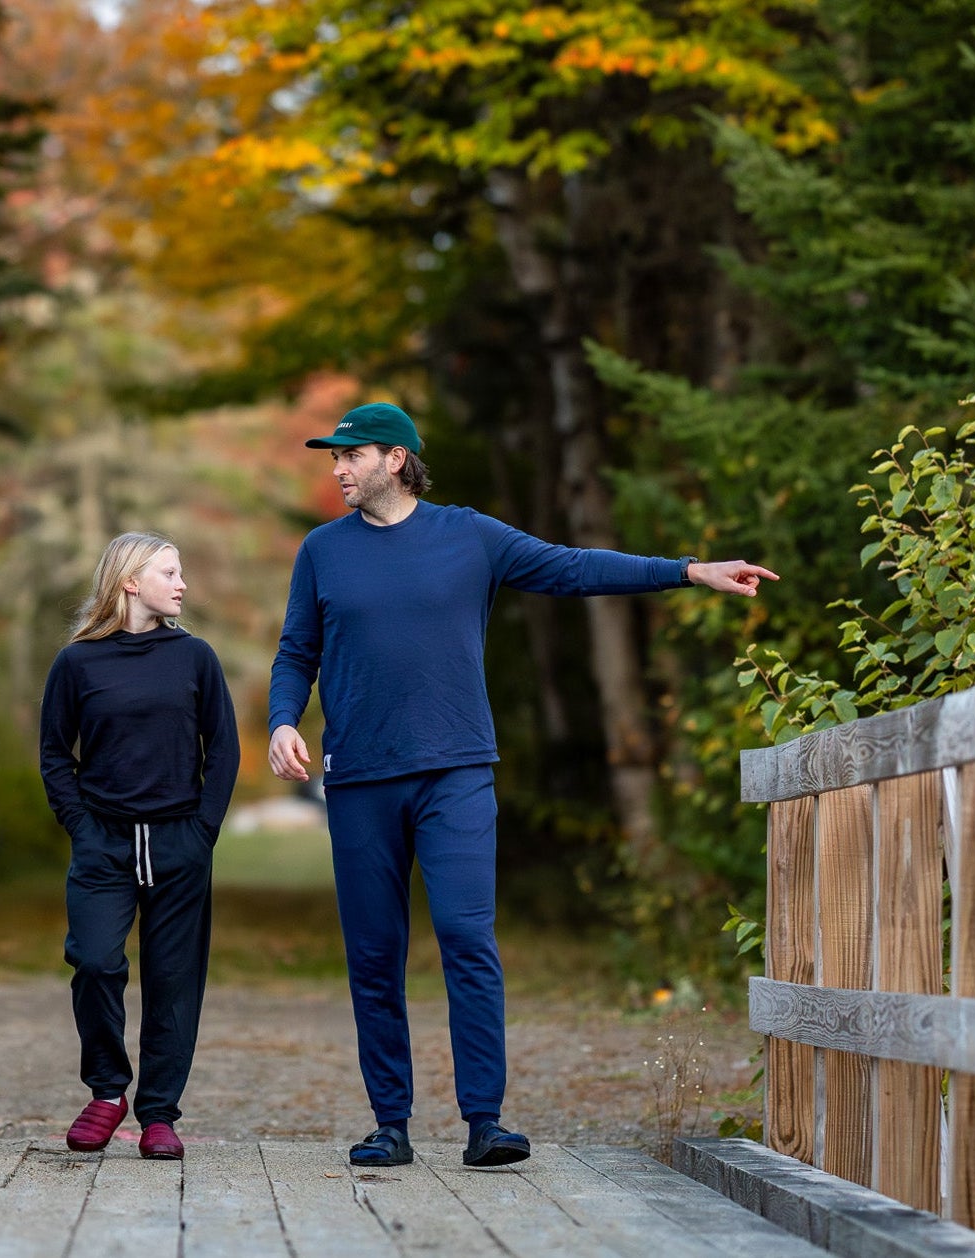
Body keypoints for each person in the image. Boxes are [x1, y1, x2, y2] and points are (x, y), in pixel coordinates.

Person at [266, 402, 777, 1171]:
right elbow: (295, 648)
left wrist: (687, 571)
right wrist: (281, 719)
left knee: (469, 941)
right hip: (362, 779)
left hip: (456, 774)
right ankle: (390, 1125)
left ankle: (484, 1124)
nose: (336, 467)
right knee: (375, 954)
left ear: (395, 460)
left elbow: (570, 568)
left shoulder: (468, 535)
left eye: (351, 454)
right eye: (333, 457)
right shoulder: (322, 551)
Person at [39, 532, 240, 1161]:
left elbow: (224, 749)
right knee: (96, 961)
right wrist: (81, 825)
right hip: (103, 845)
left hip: (180, 842)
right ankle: (106, 1092)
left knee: (173, 979)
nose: (182, 584)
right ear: (130, 581)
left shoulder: (196, 657)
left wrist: (203, 832)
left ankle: (158, 1113)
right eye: (170, 572)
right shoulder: (77, 663)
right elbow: (53, 753)